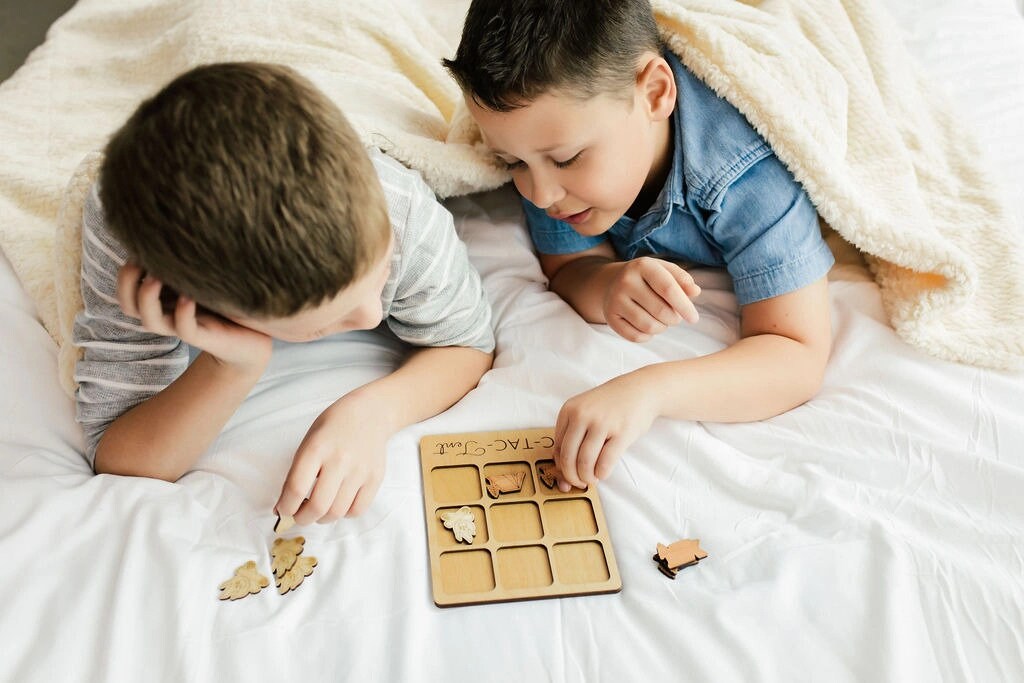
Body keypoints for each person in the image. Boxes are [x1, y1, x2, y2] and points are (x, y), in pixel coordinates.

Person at [74, 62, 494, 522]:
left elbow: (466, 342)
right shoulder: (129, 242)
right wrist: (230, 366)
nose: (374, 317)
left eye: (379, 274)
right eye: (319, 328)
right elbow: (121, 456)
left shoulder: (400, 207)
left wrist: (371, 414)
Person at [444, 0, 834, 492]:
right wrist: (606, 284)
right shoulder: (546, 146)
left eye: (565, 159)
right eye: (512, 163)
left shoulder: (747, 177)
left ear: (654, 93)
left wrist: (648, 391)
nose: (540, 195)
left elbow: (796, 356)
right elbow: (570, 267)